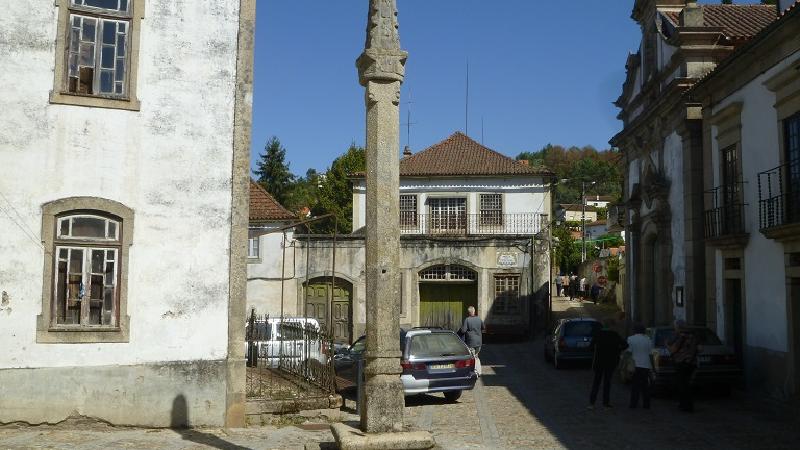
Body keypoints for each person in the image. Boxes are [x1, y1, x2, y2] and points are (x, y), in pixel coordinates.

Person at [588, 319, 628, 409]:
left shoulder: (598, 334)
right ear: (611, 326)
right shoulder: (614, 335)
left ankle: (592, 403)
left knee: (596, 382)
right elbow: (625, 345)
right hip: (610, 362)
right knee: (607, 383)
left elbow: (590, 347)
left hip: (599, 361)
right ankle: (606, 403)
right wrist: (617, 350)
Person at [667, 320, 698, 412]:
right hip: (691, 363)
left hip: (681, 363)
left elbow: (673, 349)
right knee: (687, 384)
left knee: (682, 385)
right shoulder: (693, 335)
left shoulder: (680, 336)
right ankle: (688, 405)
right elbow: (700, 348)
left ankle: (685, 405)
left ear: (678, 327)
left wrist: (667, 345)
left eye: (675, 327)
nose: (675, 328)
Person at [627, 323, 653, 409]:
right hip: (646, 365)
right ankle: (646, 404)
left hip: (635, 364)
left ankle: (633, 404)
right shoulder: (648, 339)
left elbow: (629, 352)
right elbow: (650, 354)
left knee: (635, 386)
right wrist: (652, 366)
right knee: (645, 386)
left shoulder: (630, 339)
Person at [460, 306, 485, 375]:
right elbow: (483, 328)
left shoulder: (467, 320)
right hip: (479, 342)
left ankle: (474, 372)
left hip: (471, 342)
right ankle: (479, 371)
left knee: (472, 357)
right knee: (476, 356)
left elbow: (463, 330)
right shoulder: (479, 319)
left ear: (468, 312)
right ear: (474, 311)